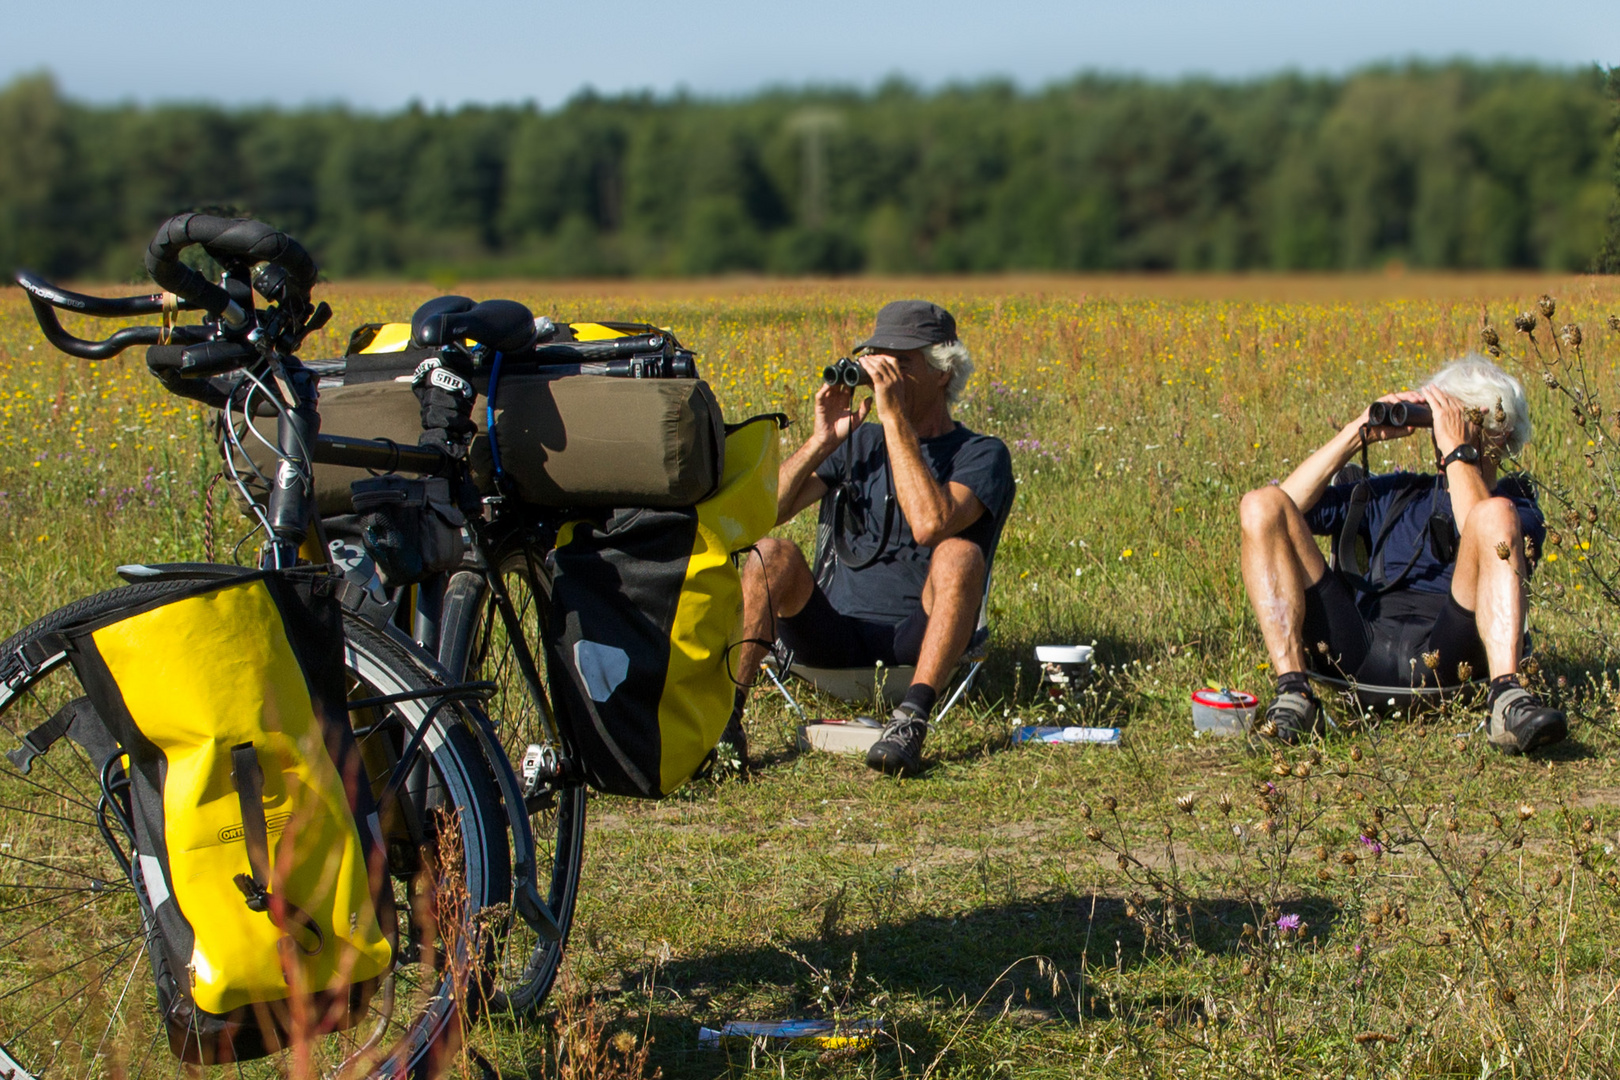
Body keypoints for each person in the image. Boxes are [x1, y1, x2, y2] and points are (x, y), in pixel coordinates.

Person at [724, 300, 1015, 776]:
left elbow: (930, 523)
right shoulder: (858, 445)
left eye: (901, 364)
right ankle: (726, 722)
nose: (885, 377)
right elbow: (762, 516)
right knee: (769, 553)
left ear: (943, 372)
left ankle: (911, 722)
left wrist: (896, 420)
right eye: (877, 362)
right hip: (832, 633)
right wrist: (822, 440)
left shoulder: (982, 455)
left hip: (915, 643)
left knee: (960, 554)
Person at [1238, 354, 1565, 753]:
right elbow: (1279, 512)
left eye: (1464, 418)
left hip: (1452, 651)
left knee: (1493, 514)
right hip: (1359, 647)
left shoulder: (1516, 506)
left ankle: (1506, 700)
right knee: (1259, 504)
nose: (1447, 428)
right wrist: (1355, 434)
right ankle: (1294, 695)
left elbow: (1478, 522)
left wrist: (1459, 453)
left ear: (1503, 434)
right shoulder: (1396, 492)